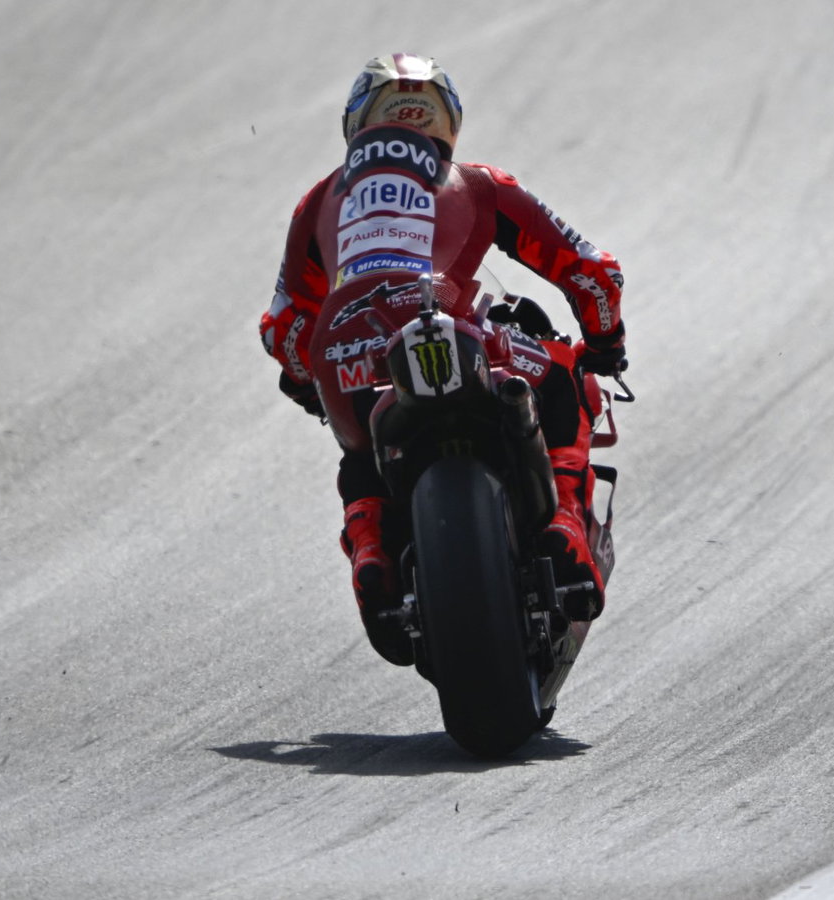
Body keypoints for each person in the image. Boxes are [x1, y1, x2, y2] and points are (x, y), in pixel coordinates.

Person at [258, 54, 626, 665]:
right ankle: (565, 524)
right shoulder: (480, 183)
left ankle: (371, 549)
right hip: (456, 327)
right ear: (448, 125)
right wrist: (606, 342)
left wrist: (304, 382)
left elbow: (283, 325)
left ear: (355, 125)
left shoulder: (317, 202)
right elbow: (592, 271)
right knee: (566, 375)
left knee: (360, 453)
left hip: (346, 351)